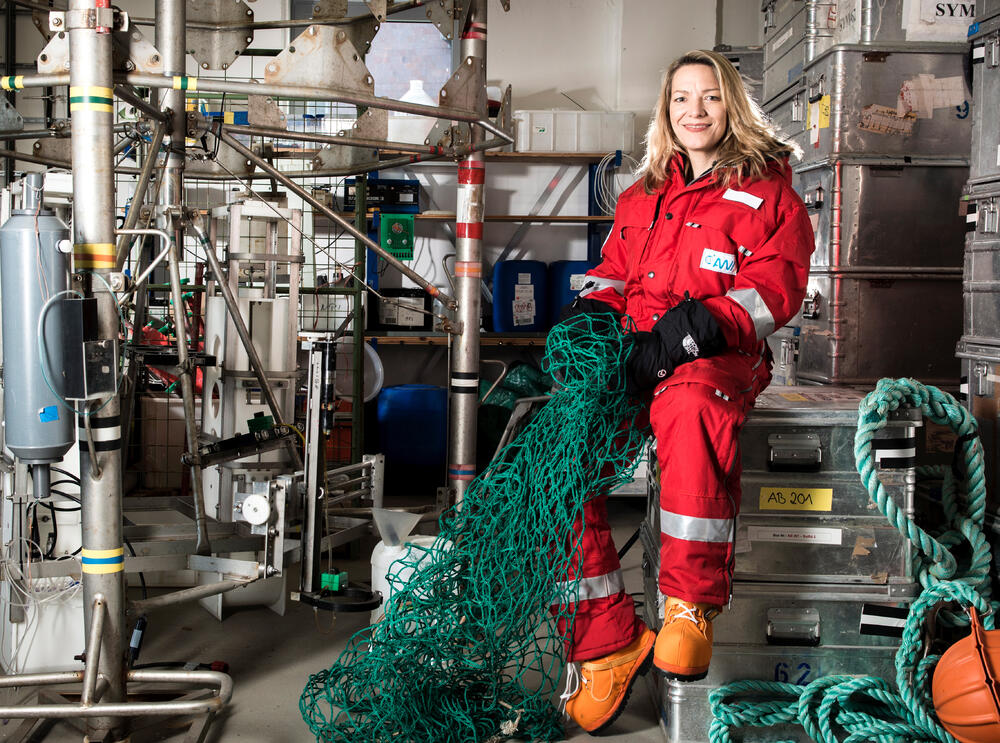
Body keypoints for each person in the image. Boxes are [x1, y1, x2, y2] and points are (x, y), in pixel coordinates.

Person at [556, 49, 815, 734]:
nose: (694, 111)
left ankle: (686, 607)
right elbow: (612, 274)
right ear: (664, 111)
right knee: (553, 450)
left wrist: (698, 324)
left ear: (732, 106)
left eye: (709, 98)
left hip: (715, 360)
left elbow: (776, 289)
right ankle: (606, 641)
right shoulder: (641, 194)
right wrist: (593, 312)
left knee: (691, 406)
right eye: (680, 99)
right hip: (633, 354)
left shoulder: (770, 195)